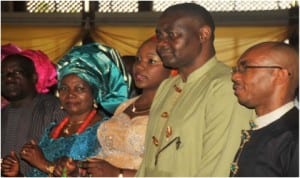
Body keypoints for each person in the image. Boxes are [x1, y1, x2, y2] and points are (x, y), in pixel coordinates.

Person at [136, 3, 254, 177]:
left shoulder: (226, 86)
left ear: (203, 34)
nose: (161, 44)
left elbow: (219, 167)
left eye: (171, 35)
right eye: (159, 35)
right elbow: (148, 163)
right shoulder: (167, 86)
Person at [1, 42, 129, 177]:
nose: (70, 94)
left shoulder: (106, 129)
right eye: (64, 88)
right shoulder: (52, 129)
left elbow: (98, 174)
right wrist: (17, 174)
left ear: (94, 94)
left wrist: (44, 164)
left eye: (79, 89)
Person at [76, 36, 173, 177]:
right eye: (138, 59)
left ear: (172, 69)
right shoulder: (125, 105)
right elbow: (107, 153)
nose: (139, 66)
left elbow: (173, 171)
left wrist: (119, 174)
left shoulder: (172, 110)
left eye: (151, 61)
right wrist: (81, 166)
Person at [230, 41, 299, 177]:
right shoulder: (265, 129)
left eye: (245, 68)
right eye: (236, 69)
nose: (234, 76)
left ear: (280, 76)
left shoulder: (293, 137)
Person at [1, 49, 65, 176]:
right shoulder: (2, 113)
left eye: (17, 72)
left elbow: (71, 163)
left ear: (34, 77)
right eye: (3, 73)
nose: (8, 77)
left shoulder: (54, 108)